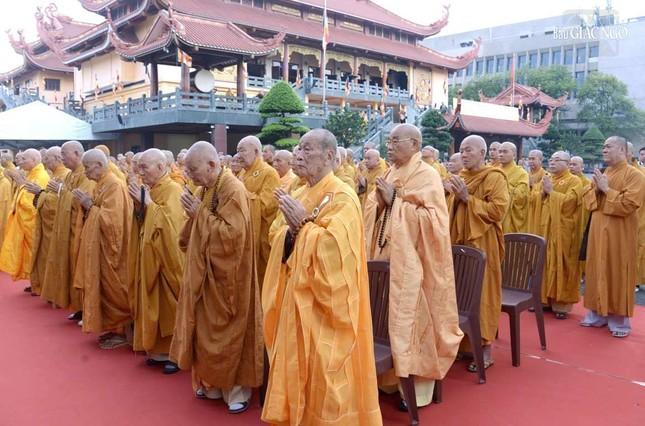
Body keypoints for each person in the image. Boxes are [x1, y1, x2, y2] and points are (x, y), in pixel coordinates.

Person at [262, 129, 382, 425]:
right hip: (295, 300)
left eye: (307, 149)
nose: (299, 155)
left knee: (326, 378)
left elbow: (336, 253)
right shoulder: (299, 192)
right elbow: (276, 235)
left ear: (329, 156)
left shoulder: (343, 197)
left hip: (325, 308)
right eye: (298, 148)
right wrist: (294, 231)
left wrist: (303, 225)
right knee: (295, 369)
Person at [364, 124, 462, 410]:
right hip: (387, 257)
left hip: (415, 264)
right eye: (389, 141)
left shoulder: (427, 175)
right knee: (387, 319)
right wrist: (381, 202)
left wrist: (396, 201)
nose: (390, 146)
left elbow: (435, 221)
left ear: (415, 145)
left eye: (397, 141)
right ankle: (389, 379)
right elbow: (371, 207)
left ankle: (415, 389)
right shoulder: (389, 172)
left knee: (412, 320)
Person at [170, 141, 262, 414]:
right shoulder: (206, 188)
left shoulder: (232, 189)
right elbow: (196, 228)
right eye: (187, 171)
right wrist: (195, 216)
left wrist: (198, 214)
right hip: (206, 276)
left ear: (212, 165)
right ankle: (211, 383)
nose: (189, 176)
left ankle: (237, 390)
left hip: (230, 278)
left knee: (229, 333)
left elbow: (232, 237)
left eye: (193, 170)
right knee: (205, 331)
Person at [447, 135, 509, 371]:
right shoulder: (460, 177)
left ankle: (484, 349)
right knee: (458, 292)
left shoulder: (494, 177)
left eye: (469, 150)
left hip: (483, 243)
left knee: (482, 294)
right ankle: (462, 345)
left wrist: (467, 199)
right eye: (461, 150)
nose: (464, 154)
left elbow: (498, 211)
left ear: (482, 153)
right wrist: (450, 196)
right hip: (458, 241)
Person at [580, 137, 645, 337]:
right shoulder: (604, 173)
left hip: (620, 233)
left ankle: (619, 321)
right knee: (596, 270)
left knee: (617, 270)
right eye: (603, 146)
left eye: (608, 147)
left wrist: (607, 189)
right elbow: (587, 200)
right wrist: (597, 189)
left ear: (623, 150)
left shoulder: (635, 175)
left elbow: (629, 204)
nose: (604, 149)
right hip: (598, 231)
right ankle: (597, 314)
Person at [129, 149, 185, 374]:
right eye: (139, 168)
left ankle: (175, 354)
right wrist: (140, 206)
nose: (141, 173)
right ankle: (158, 351)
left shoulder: (173, 189)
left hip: (166, 261)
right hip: (150, 256)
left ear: (161, 167)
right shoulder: (151, 189)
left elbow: (173, 229)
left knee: (170, 305)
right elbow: (143, 221)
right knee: (153, 304)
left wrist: (149, 205)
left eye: (145, 167)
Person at [72, 149, 133, 349]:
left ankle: (123, 332)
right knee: (103, 289)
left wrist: (90, 205)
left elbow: (114, 221)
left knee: (115, 290)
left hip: (112, 249)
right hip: (100, 247)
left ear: (99, 165)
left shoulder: (114, 184)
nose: (85, 171)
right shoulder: (101, 183)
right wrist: (88, 205)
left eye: (87, 167)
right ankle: (114, 329)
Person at [39, 141, 95, 319]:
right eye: (60, 154)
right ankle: (78, 307)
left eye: (64, 154)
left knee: (81, 269)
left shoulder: (86, 175)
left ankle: (86, 310)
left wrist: (61, 190)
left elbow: (83, 200)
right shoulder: (70, 174)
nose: (61, 158)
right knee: (71, 267)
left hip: (80, 230)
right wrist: (59, 191)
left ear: (77, 153)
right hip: (68, 229)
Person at [539, 152, 583, 318]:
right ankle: (544, 300)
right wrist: (542, 193)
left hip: (563, 230)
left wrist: (551, 192)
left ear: (567, 163)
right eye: (551, 159)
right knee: (544, 262)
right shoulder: (547, 178)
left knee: (562, 263)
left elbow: (570, 203)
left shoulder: (574, 181)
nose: (552, 162)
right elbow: (535, 199)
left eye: (557, 160)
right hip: (545, 228)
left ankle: (561, 305)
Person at [25, 147, 70, 296]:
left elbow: (58, 203)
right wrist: (40, 193)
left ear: (57, 158)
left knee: (53, 258)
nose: (44, 161)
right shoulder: (55, 175)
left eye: (47, 158)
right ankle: (45, 287)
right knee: (44, 257)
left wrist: (40, 193)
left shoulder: (65, 175)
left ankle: (53, 290)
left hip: (56, 226)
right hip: (47, 224)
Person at [0, 149, 50, 282]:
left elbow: (31, 203)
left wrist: (22, 185)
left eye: (24, 159)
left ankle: (38, 282)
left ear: (34, 160)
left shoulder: (41, 176)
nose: (20, 162)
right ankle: (34, 281)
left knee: (35, 253)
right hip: (25, 221)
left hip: (32, 222)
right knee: (29, 253)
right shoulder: (32, 174)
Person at [237, 136, 280, 287]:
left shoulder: (269, 173)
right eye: (237, 151)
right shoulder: (242, 173)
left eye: (242, 150)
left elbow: (265, 206)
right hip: (245, 233)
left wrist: (242, 192)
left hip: (262, 235)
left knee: (263, 278)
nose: (238, 155)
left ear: (256, 151)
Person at [498, 142, 529, 233]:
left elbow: (521, 197)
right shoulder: (494, 171)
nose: (501, 154)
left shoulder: (521, 173)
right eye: (500, 152)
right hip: (494, 214)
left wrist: (502, 186)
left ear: (514, 155)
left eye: (505, 152)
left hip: (510, 219)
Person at [527, 149, 547, 234]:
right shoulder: (525, 174)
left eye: (533, 159)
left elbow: (544, 195)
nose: (530, 161)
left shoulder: (545, 176)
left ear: (540, 160)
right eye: (529, 159)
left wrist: (532, 186)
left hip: (538, 212)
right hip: (526, 211)